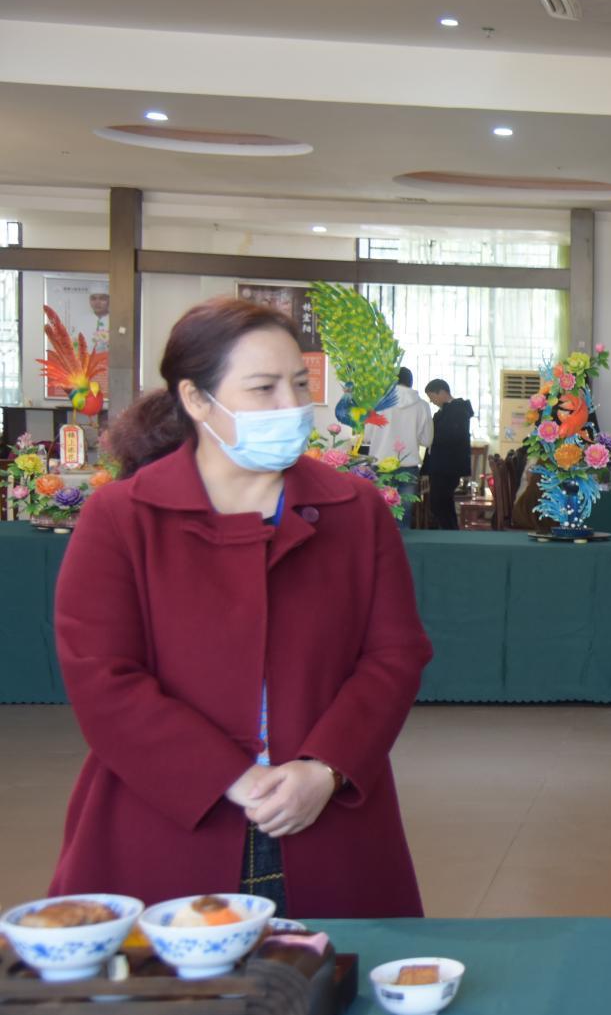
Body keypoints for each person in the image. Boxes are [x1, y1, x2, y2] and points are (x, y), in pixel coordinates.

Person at [50, 297, 430, 917]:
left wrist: (325, 768)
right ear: (198, 400)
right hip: (167, 822)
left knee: (332, 992)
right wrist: (231, 775)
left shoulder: (354, 510)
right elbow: (101, 675)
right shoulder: (122, 517)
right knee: (169, 1000)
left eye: (300, 384)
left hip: (327, 821)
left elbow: (394, 654)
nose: (292, 407)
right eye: (264, 388)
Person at [364, 366, 432, 528]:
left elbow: (367, 437)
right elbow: (427, 440)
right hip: (408, 466)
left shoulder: (378, 404)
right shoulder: (422, 405)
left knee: (380, 513)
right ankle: (402, 550)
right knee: (403, 514)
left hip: (380, 464)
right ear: (411, 382)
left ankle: (381, 549)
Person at [422, 379, 473, 531]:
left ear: (442, 392)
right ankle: (449, 531)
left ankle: (450, 532)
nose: (431, 401)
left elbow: (452, 436)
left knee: (440, 502)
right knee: (441, 503)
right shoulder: (444, 412)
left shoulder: (458, 410)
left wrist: (431, 436)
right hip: (440, 465)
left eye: (432, 396)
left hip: (448, 465)